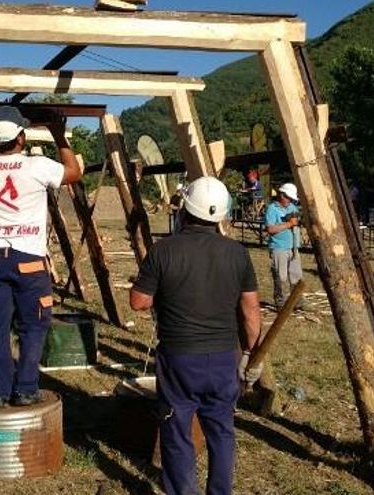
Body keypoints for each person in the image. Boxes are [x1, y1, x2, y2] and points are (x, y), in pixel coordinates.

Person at [130, 176, 262, 495]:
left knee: (177, 431)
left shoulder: (163, 250)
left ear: (185, 209)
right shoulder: (237, 253)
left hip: (179, 358)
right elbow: (251, 311)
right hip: (223, 357)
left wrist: (159, 288)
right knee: (221, 431)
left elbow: (139, 302)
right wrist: (250, 353)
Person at [0, 106, 81, 408]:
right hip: (29, 261)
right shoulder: (37, 166)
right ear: (21, 137)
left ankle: (1, 391)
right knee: (33, 325)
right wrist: (58, 134)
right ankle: (26, 388)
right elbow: (74, 172)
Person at [265, 183, 303, 309]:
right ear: (282, 195)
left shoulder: (292, 207)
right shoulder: (272, 209)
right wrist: (288, 224)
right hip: (279, 247)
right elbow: (270, 229)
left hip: (293, 247)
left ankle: (297, 302)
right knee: (280, 277)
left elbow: (297, 222)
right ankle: (280, 302)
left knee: (296, 276)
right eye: (288, 198)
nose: (290, 201)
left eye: (291, 198)